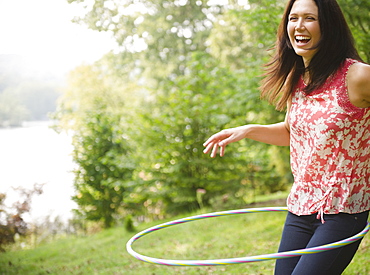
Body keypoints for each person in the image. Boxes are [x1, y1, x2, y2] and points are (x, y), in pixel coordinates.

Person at [203, 0, 370, 274]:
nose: (299, 26)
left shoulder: (358, 76)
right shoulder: (299, 80)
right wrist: (247, 130)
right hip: (300, 208)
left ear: (328, 25)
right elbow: (293, 134)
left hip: (342, 211)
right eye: (293, 18)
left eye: (309, 18)